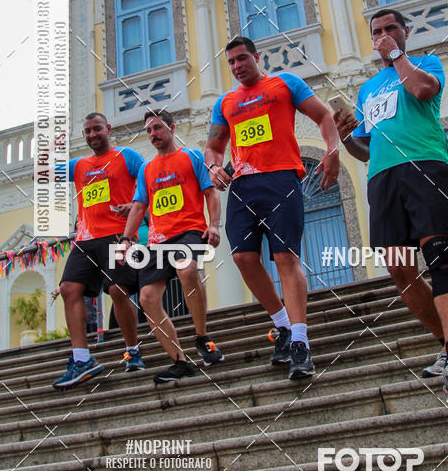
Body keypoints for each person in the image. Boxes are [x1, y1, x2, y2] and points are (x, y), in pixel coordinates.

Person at [334, 9, 448, 405]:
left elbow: (423, 91)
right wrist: (347, 138)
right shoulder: (367, 90)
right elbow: (366, 148)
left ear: (405, 32)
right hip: (382, 179)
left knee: (441, 259)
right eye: (376, 32)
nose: (382, 36)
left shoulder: (423, 63)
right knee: (399, 269)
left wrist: (398, 55)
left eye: (390, 30)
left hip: (424, 168)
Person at [204, 36, 340, 380]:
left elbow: (324, 115)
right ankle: (281, 325)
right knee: (242, 258)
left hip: (280, 180)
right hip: (243, 186)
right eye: (231, 62)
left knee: (285, 258)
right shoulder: (226, 101)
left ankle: (300, 342)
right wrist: (213, 166)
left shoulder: (285, 83)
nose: (237, 66)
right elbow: (214, 146)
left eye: (241, 58)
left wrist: (332, 150)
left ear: (256, 56)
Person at [116, 109, 223, 383]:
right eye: (149, 130)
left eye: (158, 127)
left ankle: (201, 337)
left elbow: (210, 193)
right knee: (146, 299)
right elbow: (139, 207)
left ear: (172, 128)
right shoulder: (147, 170)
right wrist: (126, 240)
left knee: (186, 270)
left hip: (188, 231)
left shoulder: (192, 157)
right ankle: (179, 361)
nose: (153, 134)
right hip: (157, 240)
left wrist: (214, 225)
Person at [52, 112, 145, 389]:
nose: (92, 135)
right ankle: (82, 359)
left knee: (118, 290)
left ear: (108, 129)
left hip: (117, 236)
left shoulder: (126, 156)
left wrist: (138, 207)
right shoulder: (78, 165)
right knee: (69, 288)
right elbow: (43, 172)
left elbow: (151, 178)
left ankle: (133, 351)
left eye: (97, 129)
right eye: (87, 131)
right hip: (85, 239)